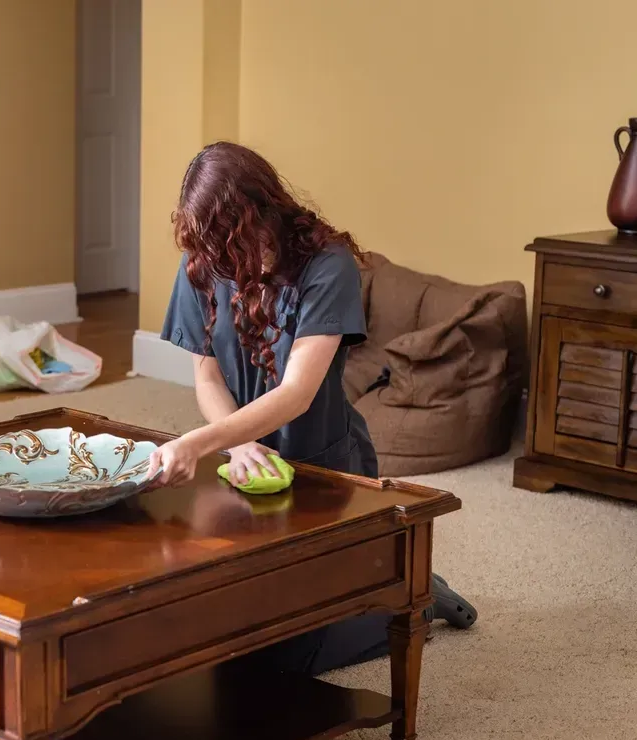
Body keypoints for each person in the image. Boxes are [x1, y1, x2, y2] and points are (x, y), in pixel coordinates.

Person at [147, 141, 477, 675]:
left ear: (259, 214)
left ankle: (415, 596)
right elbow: (205, 373)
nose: (218, 262)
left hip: (324, 466)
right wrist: (236, 443)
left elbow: (298, 393)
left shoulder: (328, 265)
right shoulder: (204, 263)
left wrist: (199, 443)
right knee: (227, 633)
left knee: (292, 651)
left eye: (226, 243)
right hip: (243, 462)